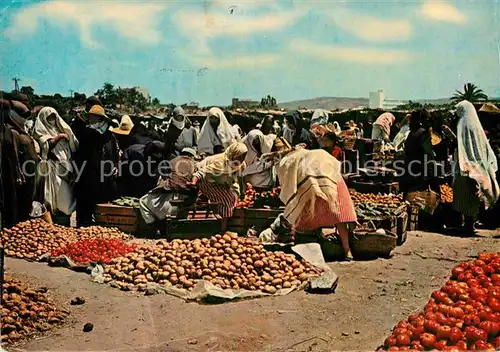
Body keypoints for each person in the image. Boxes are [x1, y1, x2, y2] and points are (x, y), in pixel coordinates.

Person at [274, 145, 357, 260]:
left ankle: (301, 249)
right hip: (333, 180)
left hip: (315, 184)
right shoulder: (309, 154)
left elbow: (289, 184)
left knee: (306, 212)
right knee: (339, 216)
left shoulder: (290, 160)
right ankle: (347, 250)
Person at [452, 101, 499, 233]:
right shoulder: (476, 126)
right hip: (478, 165)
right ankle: (471, 223)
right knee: (473, 195)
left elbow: (462, 145)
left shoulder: (462, 124)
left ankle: (468, 224)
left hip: (466, 164)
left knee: (466, 194)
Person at [74, 105, 120, 227]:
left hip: (106, 174)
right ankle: (84, 223)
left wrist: (116, 166)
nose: (91, 121)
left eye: (94, 118)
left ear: (101, 119)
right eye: (90, 118)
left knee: (104, 200)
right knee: (86, 200)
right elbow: (81, 155)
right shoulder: (86, 134)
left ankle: (102, 224)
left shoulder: (110, 136)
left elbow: (115, 154)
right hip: (89, 174)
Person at [191, 142, 248, 232]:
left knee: (234, 195)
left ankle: (220, 215)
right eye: (240, 156)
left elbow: (239, 177)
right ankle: (222, 228)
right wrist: (193, 183)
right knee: (227, 199)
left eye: (244, 156)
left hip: (221, 182)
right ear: (234, 153)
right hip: (206, 180)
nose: (242, 159)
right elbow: (201, 173)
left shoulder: (240, 164)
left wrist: (241, 191)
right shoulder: (220, 162)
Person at [32, 107, 78, 215]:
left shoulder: (61, 128)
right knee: (53, 196)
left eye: (54, 117)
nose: (52, 119)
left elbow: (73, 145)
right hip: (52, 167)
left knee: (66, 198)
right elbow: (46, 146)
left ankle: (63, 222)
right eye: (49, 117)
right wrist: (59, 137)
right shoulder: (40, 131)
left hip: (66, 167)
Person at [139, 148, 198, 228]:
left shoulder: (171, 161)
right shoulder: (195, 164)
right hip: (184, 202)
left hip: (167, 201)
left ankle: (152, 225)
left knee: (142, 201)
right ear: (192, 156)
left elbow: (161, 180)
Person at [399, 109, 437, 200]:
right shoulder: (423, 134)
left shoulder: (411, 134)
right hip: (418, 177)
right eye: (427, 120)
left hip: (409, 174)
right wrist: (430, 178)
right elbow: (427, 157)